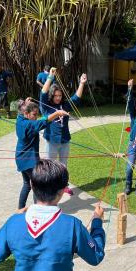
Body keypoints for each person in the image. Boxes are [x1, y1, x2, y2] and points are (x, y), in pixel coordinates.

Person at [0, 159, 106, 271]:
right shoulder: (72, 225)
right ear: (62, 191)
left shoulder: (14, 222)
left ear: (31, 184)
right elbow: (96, 255)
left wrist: (13, 219)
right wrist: (97, 223)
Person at [40, 67, 88, 196]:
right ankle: (50, 187)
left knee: (63, 165)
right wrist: (50, 77)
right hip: (52, 141)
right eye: (55, 95)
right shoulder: (45, 106)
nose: (58, 98)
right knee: (50, 166)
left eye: (60, 95)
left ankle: (63, 185)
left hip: (65, 140)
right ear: (52, 95)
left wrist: (82, 83)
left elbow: (76, 98)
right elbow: (43, 93)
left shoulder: (65, 105)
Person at [16, 101, 69, 209]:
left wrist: (25, 103)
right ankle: (40, 209)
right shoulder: (28, 124)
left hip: (22, 158)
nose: (36, 117)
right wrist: (57, 114)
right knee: (39, 185)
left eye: (37, 114)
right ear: (26, 113)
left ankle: (20, 209)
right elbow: (41, 123)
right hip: (28, 161)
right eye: (34, 115)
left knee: (27, 184)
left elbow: (31, 116)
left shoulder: (20, 119)